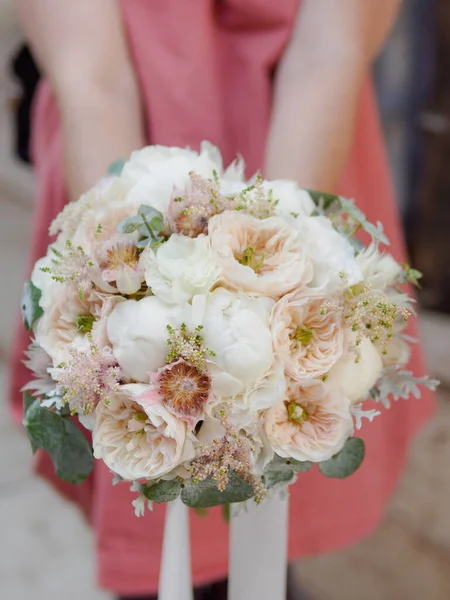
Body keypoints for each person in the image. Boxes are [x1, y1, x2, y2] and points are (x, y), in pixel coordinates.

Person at [11, 1, 434, 599]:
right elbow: (94, 80)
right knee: (151, 444)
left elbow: (327, 54)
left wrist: (284, 282)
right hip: (131, 176)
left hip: (300, 149)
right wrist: (131, 286)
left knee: (274, 445)